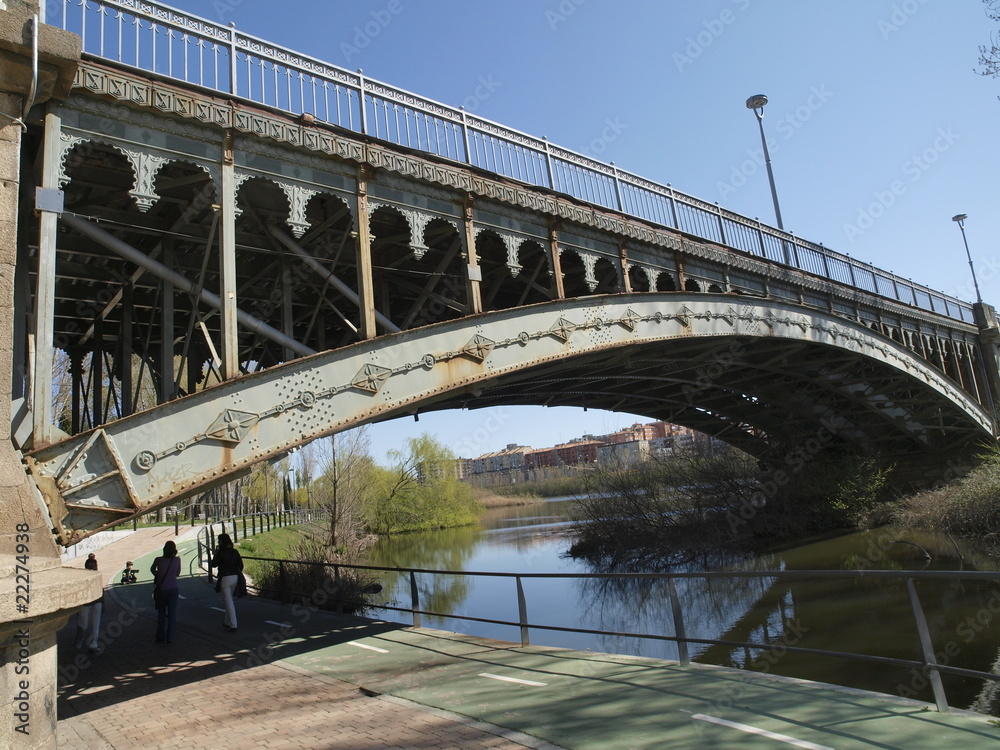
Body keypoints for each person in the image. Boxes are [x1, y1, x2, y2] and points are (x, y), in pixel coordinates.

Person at [209, 533, 243, 633]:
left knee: (228, 602)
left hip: (225, 577)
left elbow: (214, 564)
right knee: (230, 600)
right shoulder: (235, 552)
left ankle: (233, 624)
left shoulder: (220, 553)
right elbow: (241, 565)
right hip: (235, 576)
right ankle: (227, 621)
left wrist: (216, 553)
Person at [150, 540, 181, 643]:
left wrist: (159, 574)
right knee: (172, 614)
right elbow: (177, 573)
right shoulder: (177, 560)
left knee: (161, 613)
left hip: (162, 589)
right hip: (174, 588)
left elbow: (152, 569)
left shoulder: (158, 560)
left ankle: (160, 636)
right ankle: (170, 637)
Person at [76, 555, 103, 653]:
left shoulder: (98, 575)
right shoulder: (83, 578)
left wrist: (103, 603)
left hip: (97, 603)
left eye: (94, 566)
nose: (93, 568)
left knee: (95, 626)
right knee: (83, 625)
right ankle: (79, 640)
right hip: (85, 605)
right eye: (91, 567)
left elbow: (101, 589)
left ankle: (93, 644)